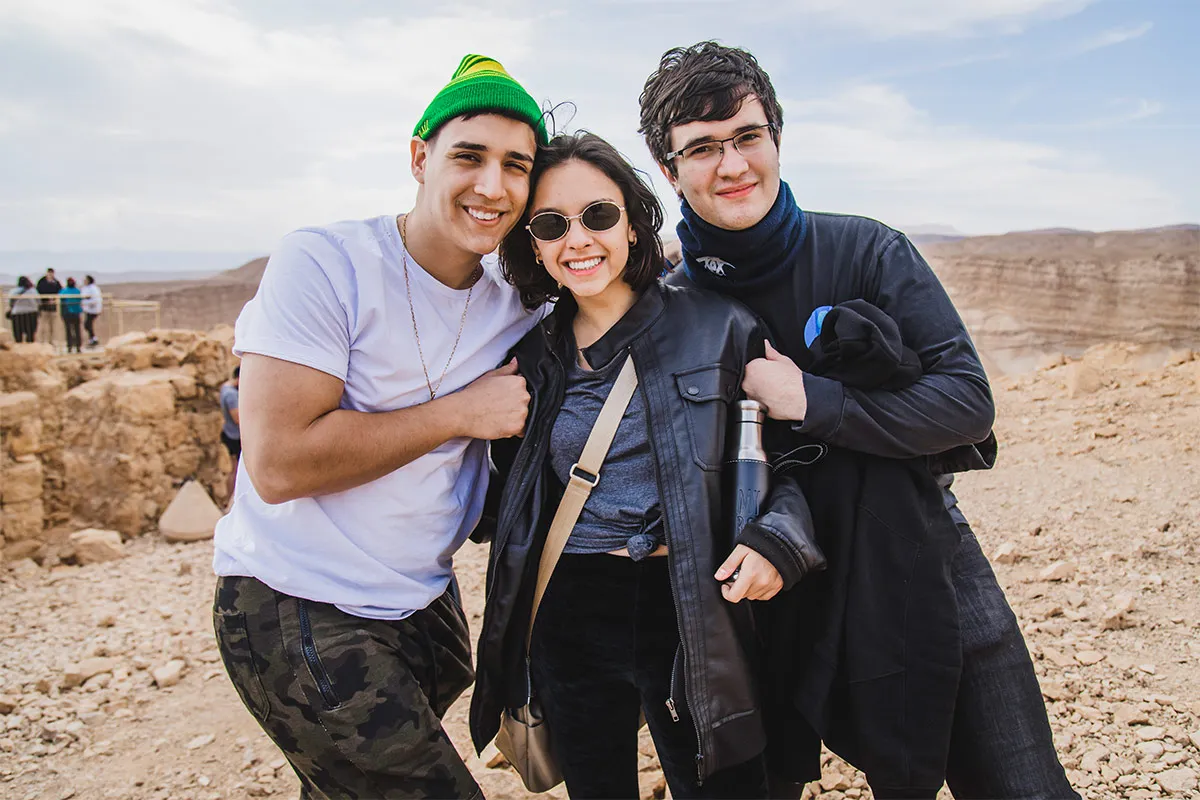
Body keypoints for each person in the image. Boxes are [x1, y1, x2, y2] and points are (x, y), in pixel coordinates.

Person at [638, 42, 1077, 799]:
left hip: (914, 542)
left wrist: (810, 399)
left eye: (747, 136)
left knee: (1018, 781)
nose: (733, 164)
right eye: (702, 148)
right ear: (670, 171)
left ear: (776, 136)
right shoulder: (675, 304)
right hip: (763, 572)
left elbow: (967, 401)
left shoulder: (868, 249)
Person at [210, 54, 548, 799]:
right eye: (470, 156)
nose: (493, 186)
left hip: (422, 609)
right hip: (296, 602)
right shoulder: (327, 263)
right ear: (421, 157)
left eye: (516, 166)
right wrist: (462, 413)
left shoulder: (517, 304)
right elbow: (280, 463)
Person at [470, 132, 824, 799]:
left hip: (690, 605)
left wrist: (779, 541)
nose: (578, 239)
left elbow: (794, 459)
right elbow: (510, 492)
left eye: (598, 215)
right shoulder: (528, 357)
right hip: (567, 609)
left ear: (633, 224)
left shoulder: (718, 328)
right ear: (534, 245)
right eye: (552, 225)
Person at [219, 366, 241, 505]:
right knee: (237, 471)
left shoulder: (225, 387)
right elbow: (237, 418)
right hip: (235, 436)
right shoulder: (232, 395)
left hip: (228, 432)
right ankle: (232, 500)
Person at [7, 276, 39, 343]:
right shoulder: (33, 291)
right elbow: (38, 301)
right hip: (31, 314)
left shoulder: (13, 291)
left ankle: (18, 350)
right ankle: (30, 350)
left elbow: (10, 302)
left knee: (18, 335)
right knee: (30, 334)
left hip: (17, 314)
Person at [36, 268, 62, 344]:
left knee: (52, 326)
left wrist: (54, 299)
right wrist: (46, 299)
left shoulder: (56, 282)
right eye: (49, 273)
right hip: (44, 307)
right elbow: (39, 292)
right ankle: (42, 341)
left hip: (53, 307)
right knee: (43, 325)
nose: (50, 275)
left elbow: (59, 292)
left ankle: (51, 341)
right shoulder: (41, 282)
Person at [59, 277, 83, 353]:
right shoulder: (77, 291)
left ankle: (70, 346)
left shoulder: (64, 291)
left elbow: (60, 299)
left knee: (69, 330)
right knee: (76, 330)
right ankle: (77, 346)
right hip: (75, 313)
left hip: (68, 313)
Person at [81, 275, 103, 346]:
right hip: (88, 309)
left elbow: (94, 299)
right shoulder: (86, 288)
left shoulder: (93, 289)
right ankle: (92, 339)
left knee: (87, 324)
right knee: (88, 325)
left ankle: (93, 339)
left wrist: (86, 302)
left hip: (93, 309)